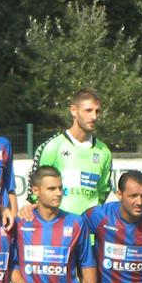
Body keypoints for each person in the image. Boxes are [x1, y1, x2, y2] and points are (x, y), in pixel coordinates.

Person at [29, 87, 113, 216]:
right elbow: (35, 188)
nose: (94, 116)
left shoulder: (104, 151)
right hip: (59, 225)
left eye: (97, 111)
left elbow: (103, 190)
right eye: (88, 110)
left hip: (89, 226)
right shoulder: (53, 146)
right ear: (74, 110)